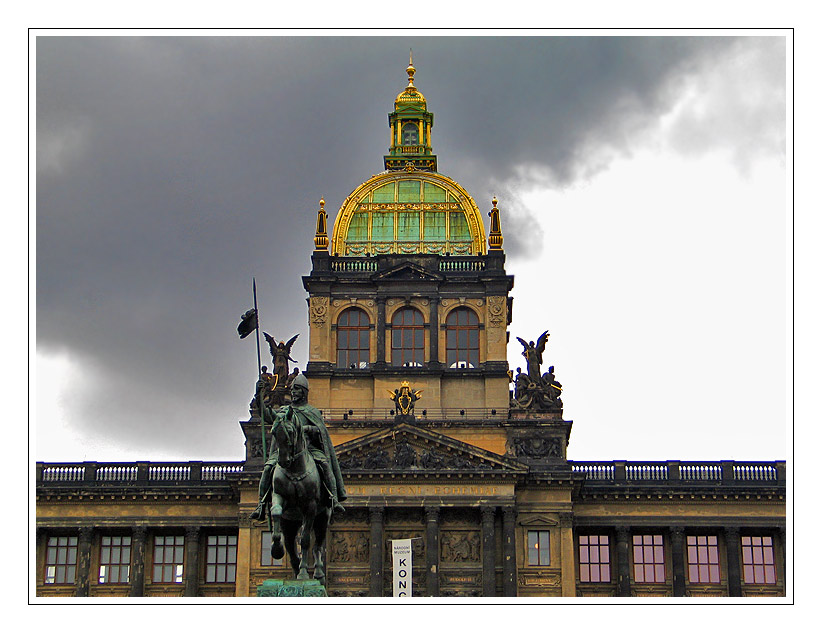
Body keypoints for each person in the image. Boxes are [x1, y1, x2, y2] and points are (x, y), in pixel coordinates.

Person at [250, 374, 347, 520]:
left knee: (325, 465)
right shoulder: (284, 411)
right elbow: (267, 415)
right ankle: (261, 504)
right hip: (286, 450)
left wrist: (307, 429)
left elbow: (321, 431)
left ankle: (333, 499)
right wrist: (259, 396)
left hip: (308, 449)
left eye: (297, 390)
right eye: (293, 390)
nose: (293, 392)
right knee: (269, 467)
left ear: (304, 392)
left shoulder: (312, 412)